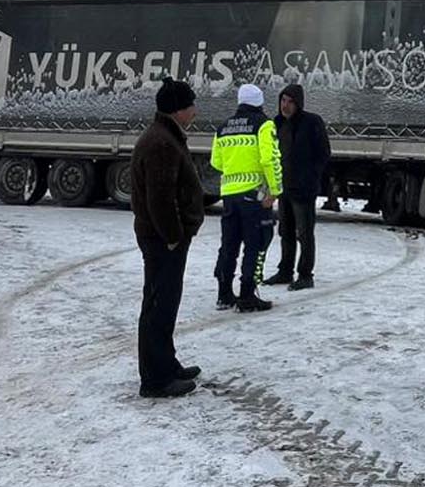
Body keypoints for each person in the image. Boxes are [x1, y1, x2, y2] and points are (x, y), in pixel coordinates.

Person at [131, 79, 208, 399]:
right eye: (191, 104)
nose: (195, 109)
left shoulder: (165, 136)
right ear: (178, 109)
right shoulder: (162, 142)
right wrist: (174, 236)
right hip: (163, 240)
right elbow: (160, 199)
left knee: (163, 302)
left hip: (163, 238)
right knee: (159, 305)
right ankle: (156, 379)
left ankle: (166, 363)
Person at [211, 83, 283, 312]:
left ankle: (224, 294)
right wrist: (274, 190)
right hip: (255, 196)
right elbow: (269, 159)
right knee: (255, 244)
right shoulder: (264, 125)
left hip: (230, 196)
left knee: (229, 246)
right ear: (260, 102)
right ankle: (247, 295)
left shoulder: (223, 127)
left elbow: (216, 162)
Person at [263, 84, 331, 291]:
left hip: (303, 188)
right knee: (285, 231)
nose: (286, 105)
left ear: (298, 103)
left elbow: (323, 153)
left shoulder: (312, 122)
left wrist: (311, 176)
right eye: (283, 100)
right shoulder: (276, 123)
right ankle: (285, 270)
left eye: (290, 101)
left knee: (305, 232)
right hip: (283, 187)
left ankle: (305, 274)